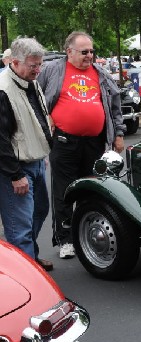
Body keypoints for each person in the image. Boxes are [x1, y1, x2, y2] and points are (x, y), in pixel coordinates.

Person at [37, 31, 125, 260]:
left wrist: (118, 135)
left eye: (91, 51)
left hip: (94, 142)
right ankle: (65, 240)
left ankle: (87, 234)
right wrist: (46, 118)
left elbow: (115, 107)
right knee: (64, 192)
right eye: (84, 52)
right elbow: (35, 97)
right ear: (69, 52)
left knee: (92, 190)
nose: (89, 56)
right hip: (65, 141)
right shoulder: (53, 70)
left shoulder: (100, 73)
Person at [0, 38, 53, 270]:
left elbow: (36, 120)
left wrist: (41, 154)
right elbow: (0, 140)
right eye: (33, 65)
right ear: (15, 62)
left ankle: (29, 261)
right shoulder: (3, 89)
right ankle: (28, 277)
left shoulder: (29, 80)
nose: (38, 70)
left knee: (40, 210)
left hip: (35, 162)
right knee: (19, 227)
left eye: (39, 64)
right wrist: (14, 174)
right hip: (17, 169)